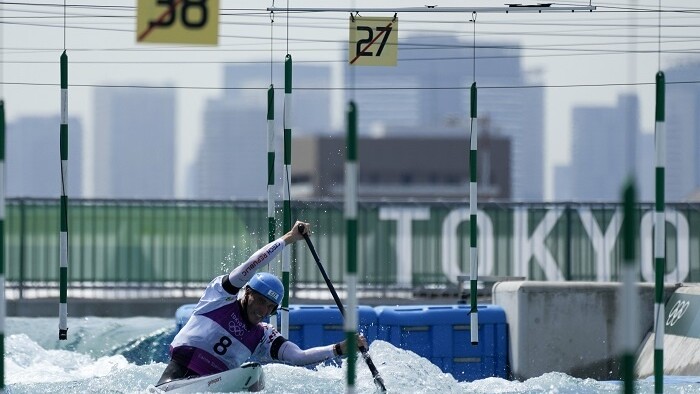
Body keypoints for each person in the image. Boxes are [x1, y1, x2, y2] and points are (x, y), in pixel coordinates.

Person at [157, 220, 366, 385]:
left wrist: (339, 348)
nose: (263, 311)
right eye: (260, 301)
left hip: (216, 384)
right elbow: (253, 263)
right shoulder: (220, 297)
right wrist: (289, 238)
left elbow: (298, 357)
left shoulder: (263, 336)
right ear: (247, 292)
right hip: (178, 372)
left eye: (270, 307)